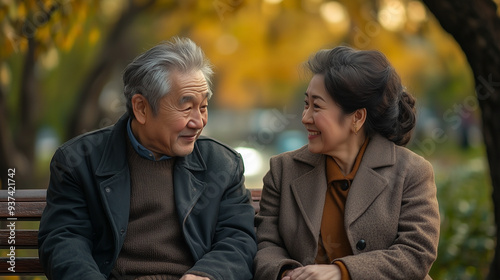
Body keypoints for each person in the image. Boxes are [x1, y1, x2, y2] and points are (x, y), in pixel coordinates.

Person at [38, 37, 257, 280]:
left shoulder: (222, 165)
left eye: (203, 107)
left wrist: (208, 274)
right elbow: (65, 241)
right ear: (141, 108)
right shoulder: (78, 162)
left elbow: (238, 238)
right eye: (186, 108)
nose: (198, 122)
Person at [253, 46, 440, 280]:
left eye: (317, 106)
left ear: (357, 118)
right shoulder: (283, 170)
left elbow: (415, 253)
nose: (305, 117)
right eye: (306, 104)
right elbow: (267, 244)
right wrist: (286, 273)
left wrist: (341, 272)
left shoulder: (411, 172)